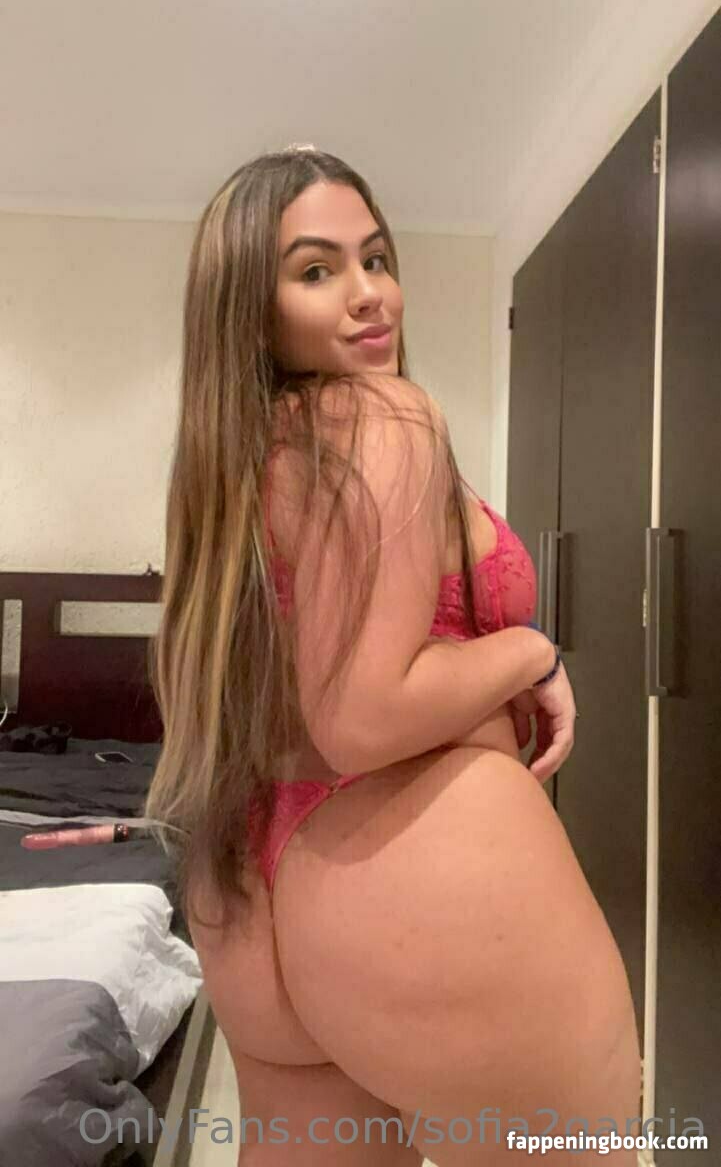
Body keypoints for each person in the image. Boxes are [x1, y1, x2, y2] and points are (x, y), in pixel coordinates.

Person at [145, 147, 641, 1164]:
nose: (369, 293)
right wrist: (529, 649)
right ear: (252, 309)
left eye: (374, 258)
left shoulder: (233, 459)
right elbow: (363, 714)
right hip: (417, 875)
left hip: (249, 895)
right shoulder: (389, 417)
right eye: (316, 270)